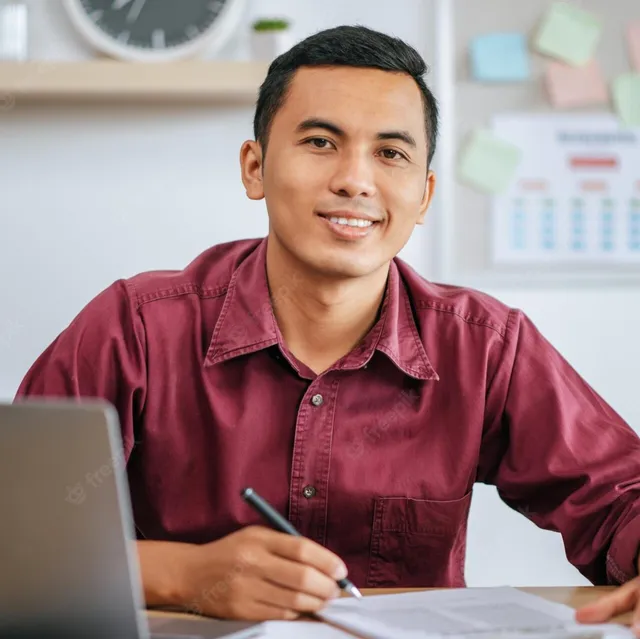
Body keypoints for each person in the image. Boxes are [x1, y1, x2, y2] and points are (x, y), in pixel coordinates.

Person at [14, 24, 640, 630]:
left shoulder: (484, 345)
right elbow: (18, 533)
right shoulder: (136, 327)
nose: (355, 180)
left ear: (423, 196)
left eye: (390, 153)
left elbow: (620, 497)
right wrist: (186, 574)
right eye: (320, 142)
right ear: (254, 167)